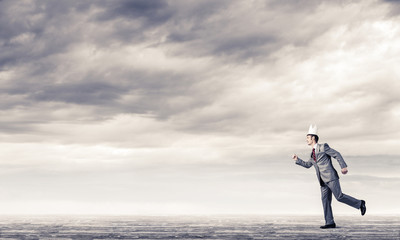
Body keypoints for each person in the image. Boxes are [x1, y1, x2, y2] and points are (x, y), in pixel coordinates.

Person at [292, 124, 366, 229]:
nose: (306, 140)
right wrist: (297, 160)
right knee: (325, 201)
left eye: (307, 138)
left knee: (339, 196)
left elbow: (336, 154)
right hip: (322, 181)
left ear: (313, 137)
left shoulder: (323, 147)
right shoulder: (311, 154)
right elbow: (308, 165)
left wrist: (343, 166)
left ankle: (360, 203)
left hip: (331, 177)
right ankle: (330, 222)